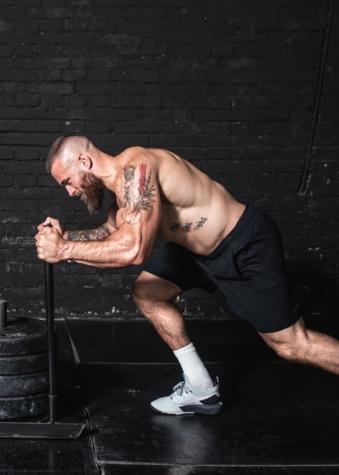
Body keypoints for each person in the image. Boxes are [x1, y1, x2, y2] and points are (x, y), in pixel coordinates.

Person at [35, 135, 339, 415]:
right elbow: (108, 238)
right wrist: (64, 240)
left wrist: (62, 250)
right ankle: (202, 390)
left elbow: (133, 250)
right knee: (148, 293)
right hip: (197, 252)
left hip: (244, 242)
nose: (71, 191)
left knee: (292, 344)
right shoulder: (120, 204)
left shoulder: (138, 167)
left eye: (67, 181)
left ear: (84, 162)